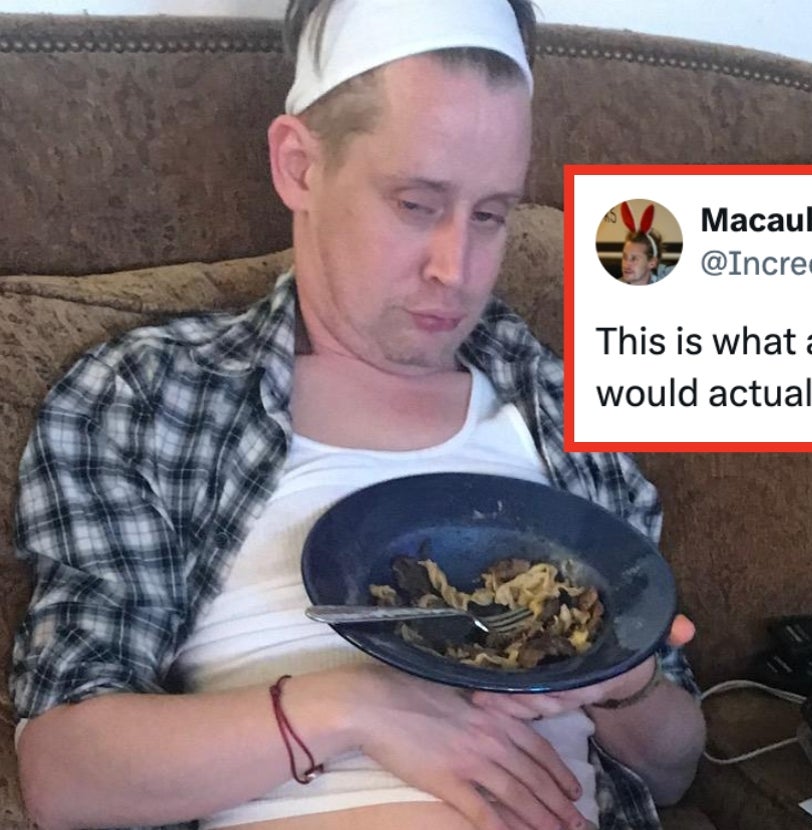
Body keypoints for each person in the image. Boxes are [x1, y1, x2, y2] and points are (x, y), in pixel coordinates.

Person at [8, 2, 706, 830]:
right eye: (416, 204)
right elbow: (66, 778)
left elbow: (674, 773)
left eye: (490, 215)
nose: (457, 269)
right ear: (299, 166)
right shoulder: (151, 396)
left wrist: (626, 682)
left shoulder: (559, 407)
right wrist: (354, 706)